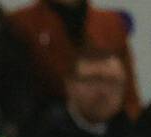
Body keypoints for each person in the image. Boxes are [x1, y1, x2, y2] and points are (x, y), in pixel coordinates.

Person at [7, 0, 140, 118]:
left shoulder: (110, 23)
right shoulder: (22, 23)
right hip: (45, 130)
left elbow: (129, 96)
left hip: (108, 132)